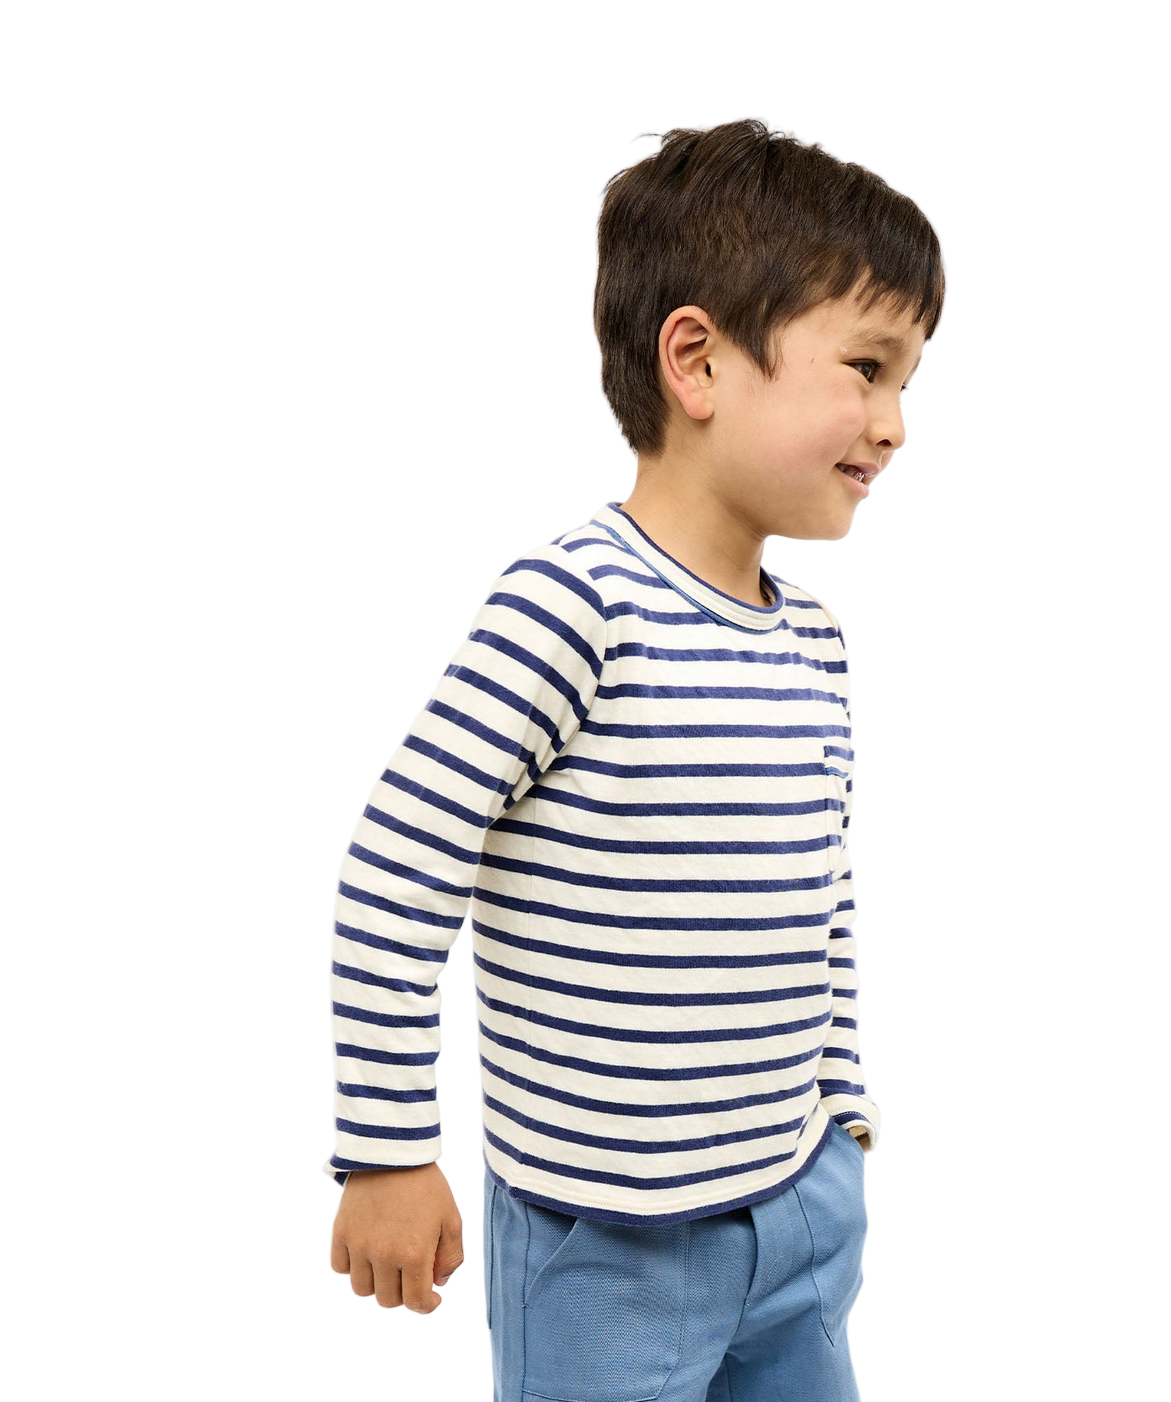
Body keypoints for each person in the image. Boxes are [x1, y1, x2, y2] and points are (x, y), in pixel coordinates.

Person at [325, 116, 944, 1401]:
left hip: (796, 1212)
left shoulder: (814, 644)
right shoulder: (573, 605)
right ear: (697, 361)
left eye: (907, 386)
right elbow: (399, 866)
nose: (893, 426)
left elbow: (817, 903)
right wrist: (385, 1152)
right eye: (868, 367)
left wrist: (843, 1118)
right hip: (604, 1247)